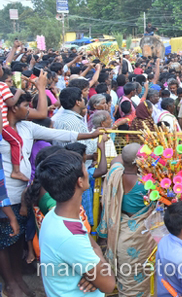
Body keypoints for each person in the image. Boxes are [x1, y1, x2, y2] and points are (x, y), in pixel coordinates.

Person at [0, 91, 102, 297]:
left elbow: (57, 134)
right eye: (25, 106)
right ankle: (9, 283)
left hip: (22, 192)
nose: (29, 110)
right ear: (12, 107)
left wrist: (90, 135)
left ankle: (18, 278)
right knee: (5, 239)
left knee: (17, 237)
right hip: (5, 194)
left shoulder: (27, 127)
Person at [38, 150, 115, 297]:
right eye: (85, 168)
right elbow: (108, 284)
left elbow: (86, 242)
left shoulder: (55, 215)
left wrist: (93, 273)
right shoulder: (70, 237)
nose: (88, 171)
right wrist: (98, 260)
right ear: (80, 181)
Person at [98, 143, 155, 296]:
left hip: (120, 233)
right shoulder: (147, 183)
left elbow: (118, 159)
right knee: (141, 275)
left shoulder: (115, 173)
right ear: (140, 162)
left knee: (126, 278)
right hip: (140, 235)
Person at [53, 87, 97, 166]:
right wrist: (98, 139)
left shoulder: (61, 118)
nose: (84, 100)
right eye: (81, 98)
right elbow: (81, 149)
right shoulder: (73, 122)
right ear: (78, 102)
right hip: (73, 166)